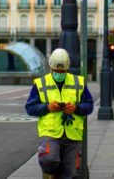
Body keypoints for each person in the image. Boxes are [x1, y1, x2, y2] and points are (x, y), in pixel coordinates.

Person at [25, 48, 94, 179]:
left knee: (74, 174)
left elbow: (89, 105)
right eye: (57, 71)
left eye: (62, 71)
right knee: (49, 160)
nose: (60, 73)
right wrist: (47, 107)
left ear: (67, 68)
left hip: (73, 135)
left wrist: (76, 108)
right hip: (50, 133)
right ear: (51, 67)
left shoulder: (78, 82)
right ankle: (49, 173)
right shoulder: (41, 84)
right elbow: (30, 108)